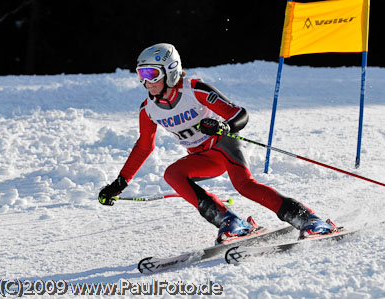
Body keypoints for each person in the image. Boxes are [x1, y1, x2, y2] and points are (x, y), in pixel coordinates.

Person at [98, 43, 338, 244]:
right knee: (172, 174)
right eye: (141, 75)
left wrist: (225, 127)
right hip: (204, 158)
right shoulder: (148, 109)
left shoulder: (194, 90)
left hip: (224, 146)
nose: (146, 82)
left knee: (244, 185)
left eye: (151, 74)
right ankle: (230, 221)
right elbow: (144, 147)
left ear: (170, 71)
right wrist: (119, 184)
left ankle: (308, 219)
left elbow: (239, 114)